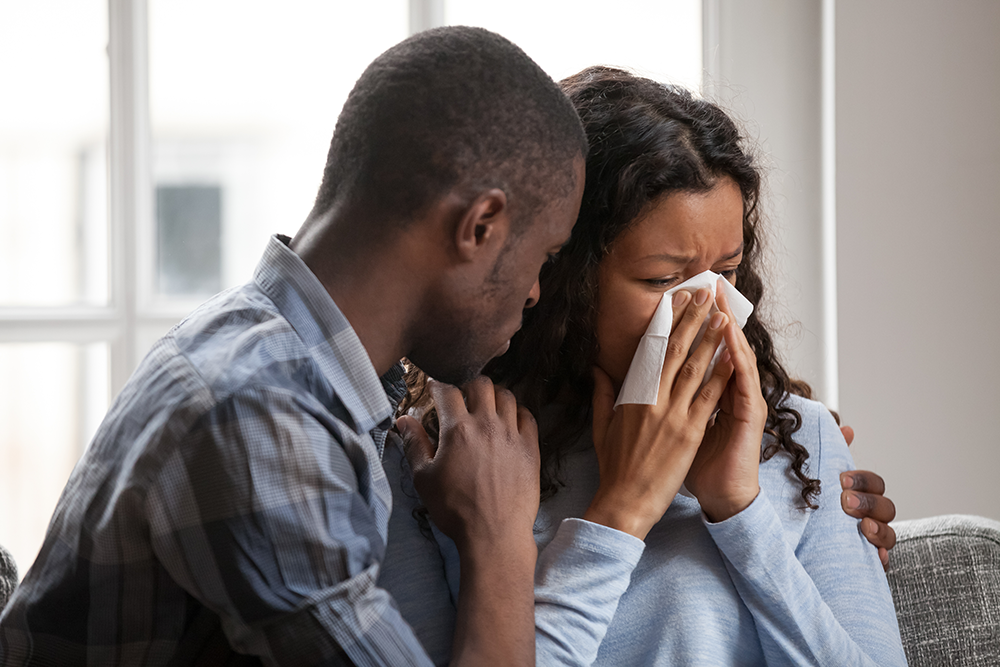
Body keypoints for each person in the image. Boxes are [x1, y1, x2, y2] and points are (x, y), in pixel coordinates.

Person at [0, 27, 588, 665]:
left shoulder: (283, 365)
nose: (534, 292)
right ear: (480, 226)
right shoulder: (256, 412)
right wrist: (499, 544)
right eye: (544, 255)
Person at [386, 67, 907, 665]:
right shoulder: (452, 462)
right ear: (556, 276)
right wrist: (622, 512)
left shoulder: (801, 439)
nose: (713, 310)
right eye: (662, 280)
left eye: (729, 270)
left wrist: (740, 510)